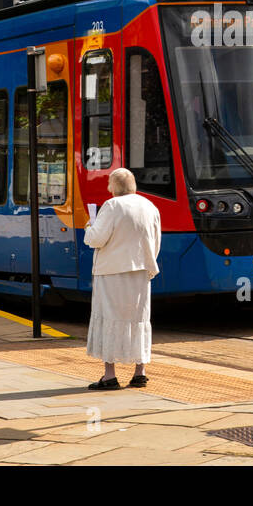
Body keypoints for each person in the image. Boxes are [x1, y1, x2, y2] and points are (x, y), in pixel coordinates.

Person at [83, 167, 162, 390]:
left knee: (110, 319)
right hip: (140, 272)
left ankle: (109, 376)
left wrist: (89, 226)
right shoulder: (149, 206)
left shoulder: (112, 206)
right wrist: (146, 263)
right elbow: (155, 241)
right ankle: (140, 372)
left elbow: (97, 239)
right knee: (138, 320)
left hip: (112, 273)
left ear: (113, 187)